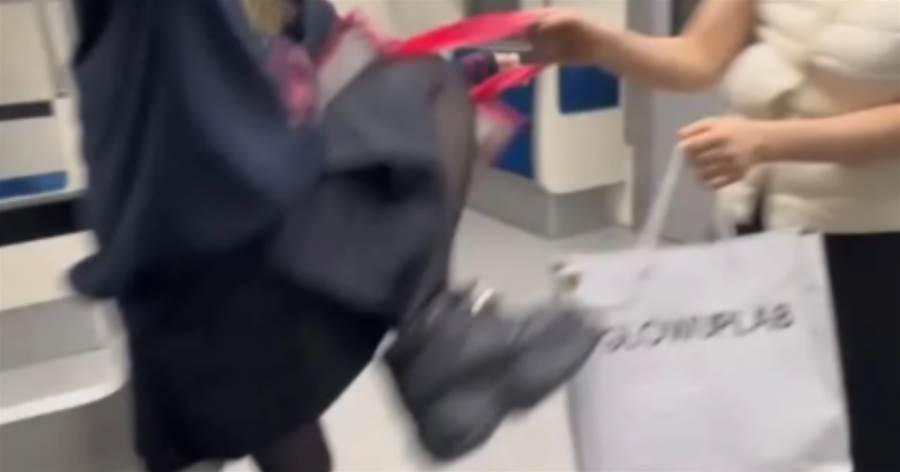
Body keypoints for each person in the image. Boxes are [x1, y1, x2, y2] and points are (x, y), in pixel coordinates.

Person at [69, 1, 599, 471]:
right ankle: (435, 342)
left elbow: (360, 68)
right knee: (426, 85)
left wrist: (499, 59)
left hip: (223, 281)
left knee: (278, 433)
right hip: (215, 260)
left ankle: (436, 341)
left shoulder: (278, 14)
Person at [529, 0, 900, 469]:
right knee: (764, 422)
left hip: (875, 243)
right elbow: (699, 55)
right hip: (757, 227)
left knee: (873, 424)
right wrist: (604, 46)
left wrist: (769, 142)